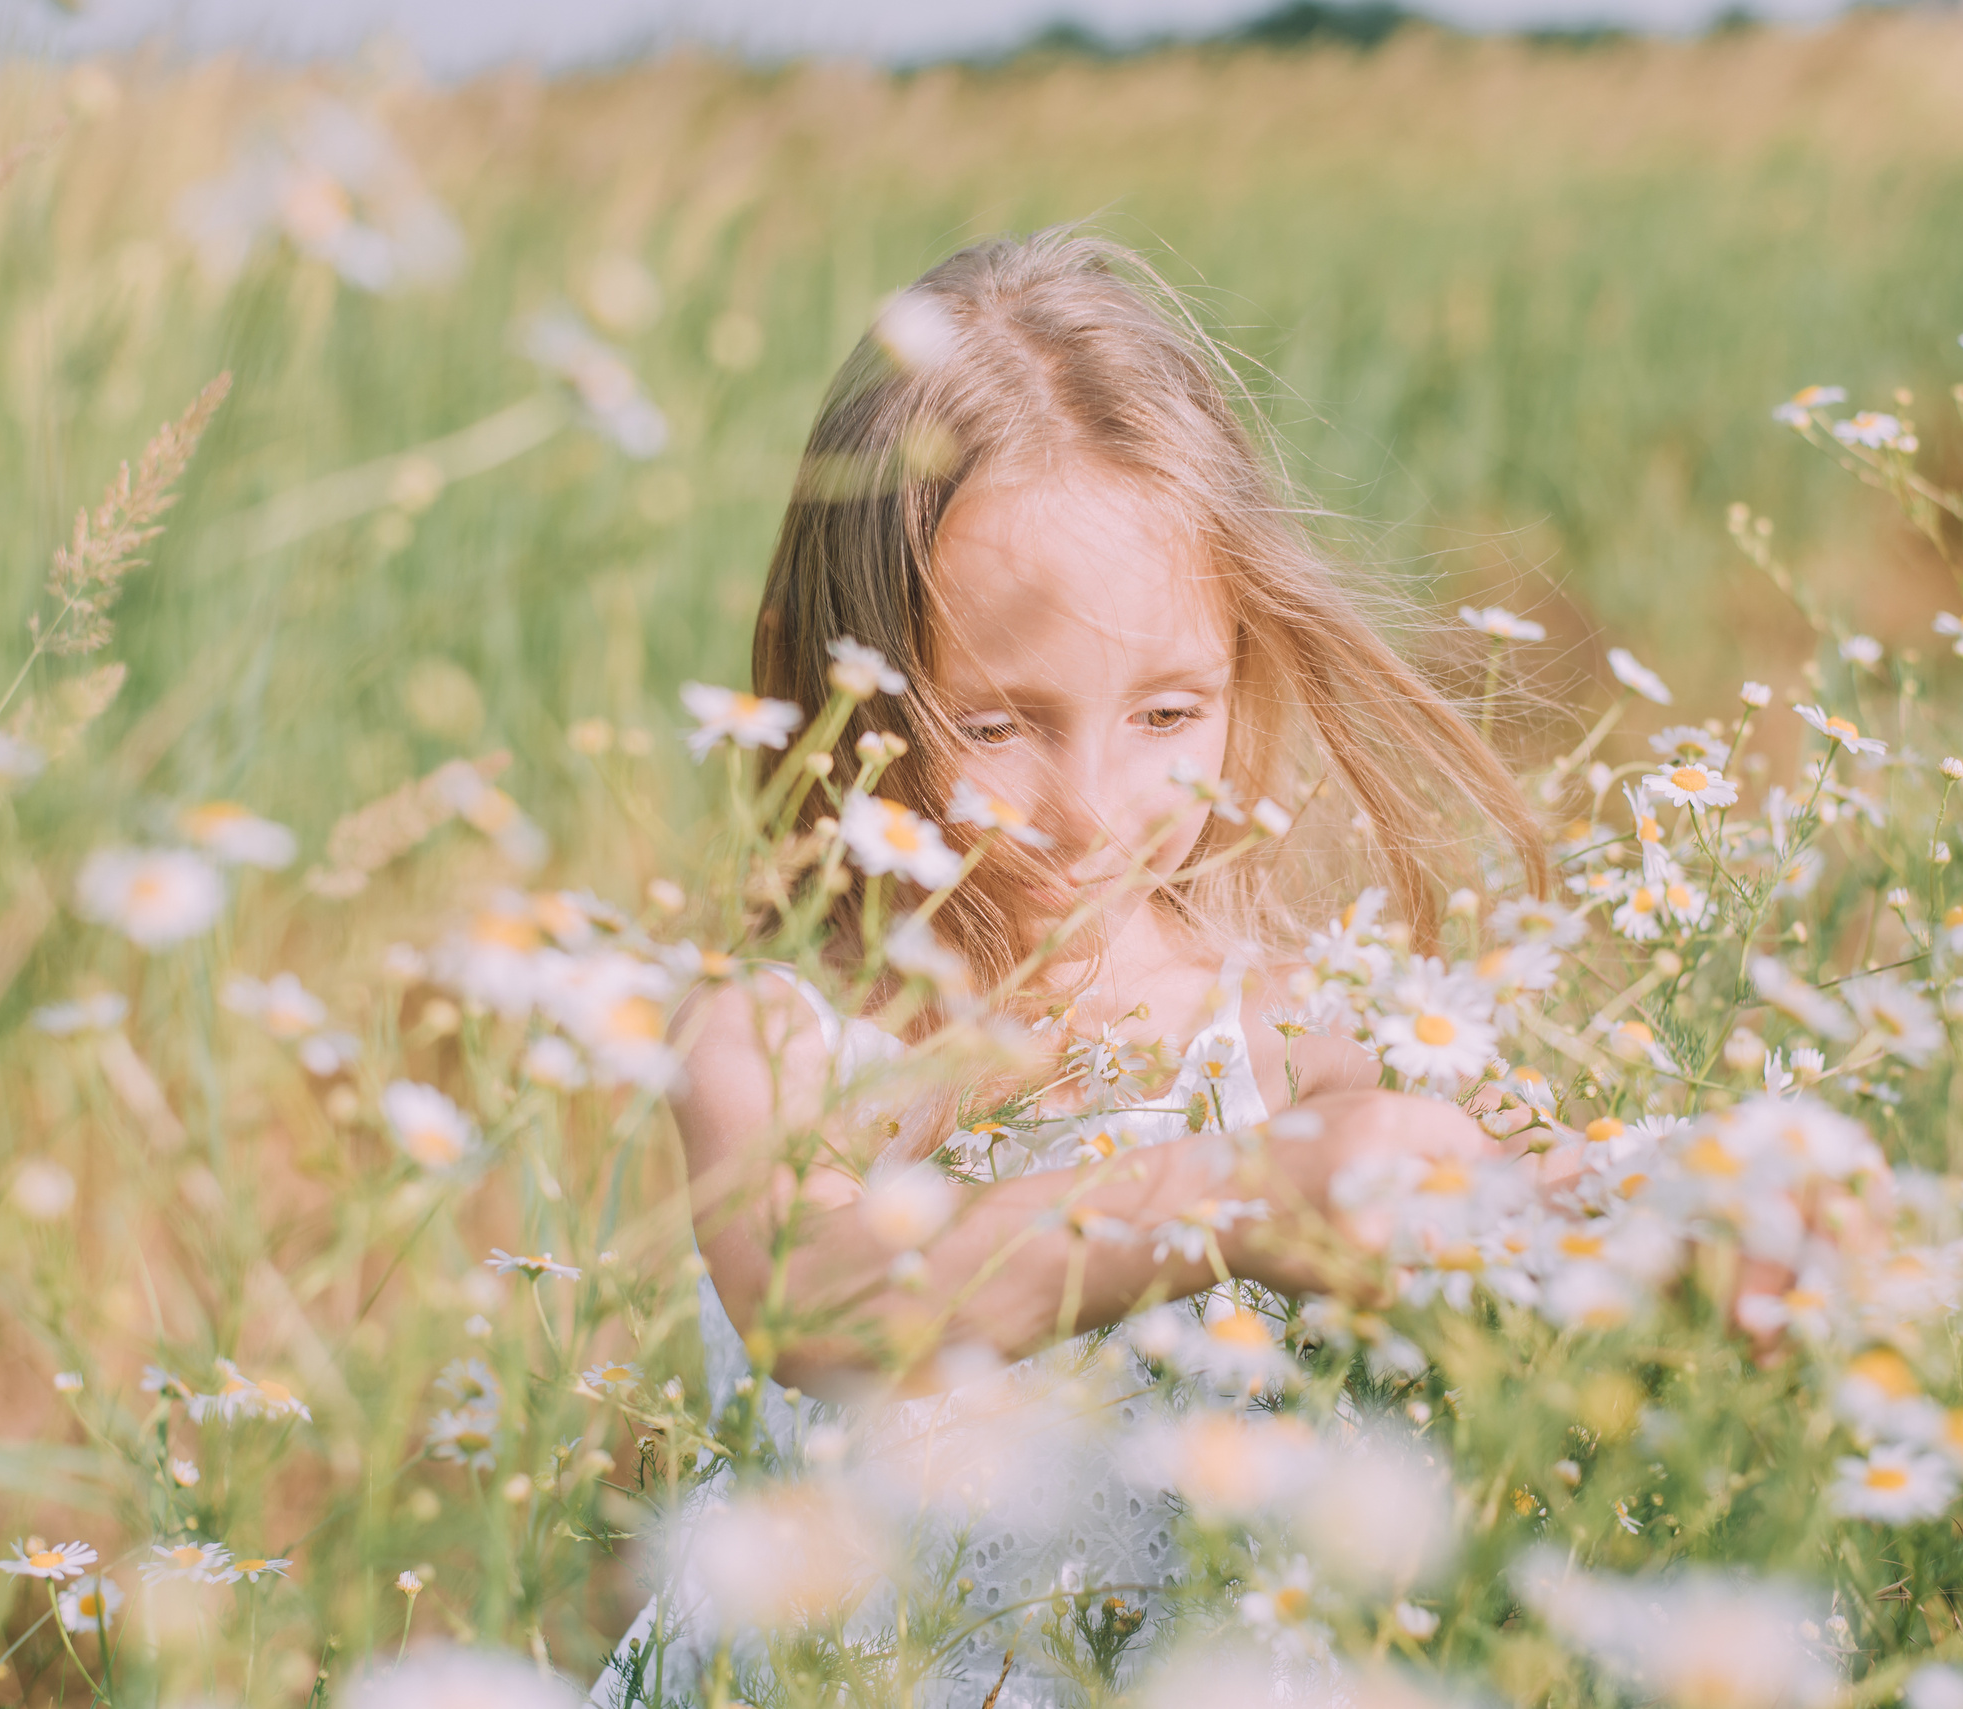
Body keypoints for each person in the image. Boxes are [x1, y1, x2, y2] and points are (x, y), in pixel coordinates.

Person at [595, 227, 1564, 1709]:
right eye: (996, 725)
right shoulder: (771, 1027)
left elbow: (1486, 1210)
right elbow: (822, 1296)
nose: (1094, 807)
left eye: (1170, 711)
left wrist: (1686, 1212)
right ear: (847, 680)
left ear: (1247, 663)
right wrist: (1235, 1195)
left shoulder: (1297, 1028)